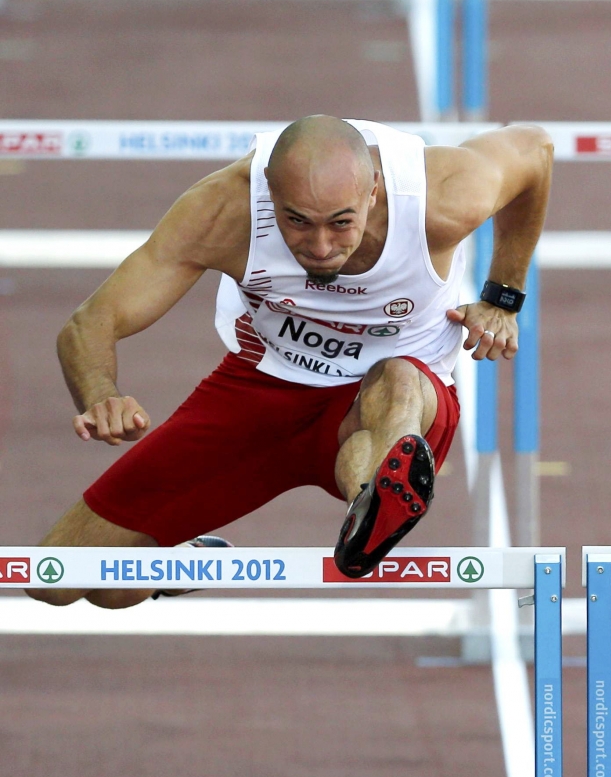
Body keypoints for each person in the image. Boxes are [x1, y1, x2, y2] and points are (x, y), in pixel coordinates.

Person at [31, 114, 553, 605]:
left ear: (373, 190)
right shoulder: (225, 210)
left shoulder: (438, 198)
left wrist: (503, 295)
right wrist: (101, 394)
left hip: (393, 400)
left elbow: (534, 148)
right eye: (297, 221)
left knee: (396, 378)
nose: (321, 246)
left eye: (340, 223)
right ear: (269, 198)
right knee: (62, 578)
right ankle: (182, 563)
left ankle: (376, 504)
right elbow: (91, 321)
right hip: (262, 390)